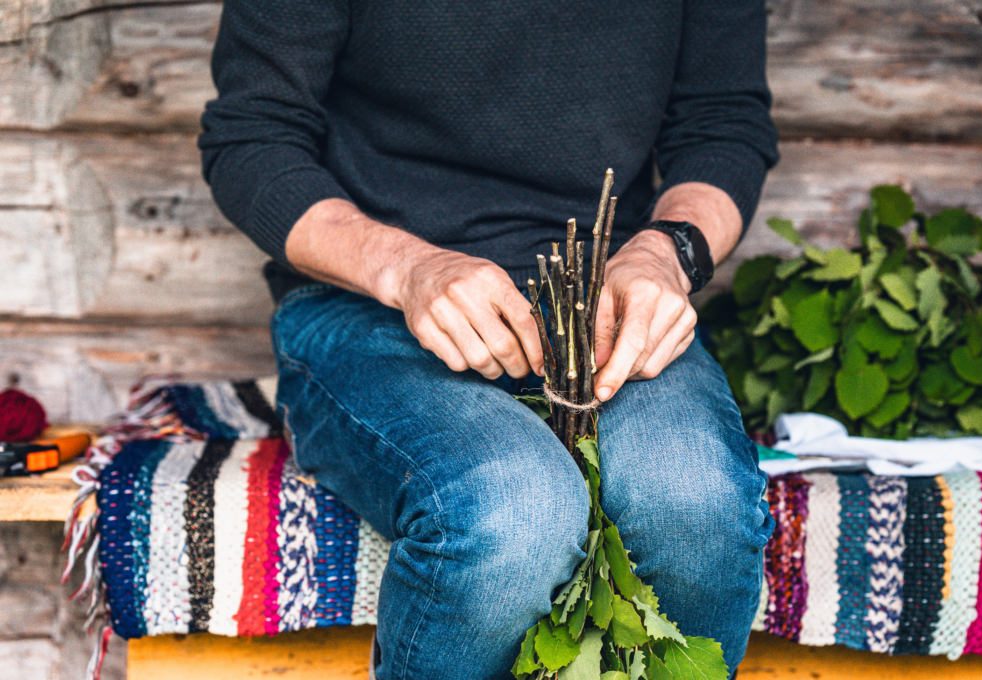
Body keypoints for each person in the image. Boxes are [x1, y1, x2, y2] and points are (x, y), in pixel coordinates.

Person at [199, 1, 779, 677]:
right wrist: (407, 269)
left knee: (696, 507)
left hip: (604, 304)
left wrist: (664, 255)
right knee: (514, 513)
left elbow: (722, 124)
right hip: (368, 300)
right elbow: (253, 138)